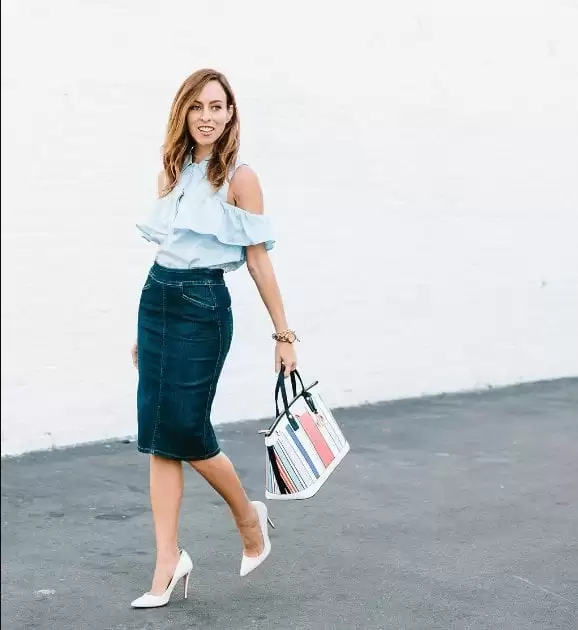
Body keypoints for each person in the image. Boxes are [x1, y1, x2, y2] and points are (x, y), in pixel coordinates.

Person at [129, 68, 298, 609]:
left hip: (203, 308)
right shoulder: (172, 169)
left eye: (218, 107)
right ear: (184, 111)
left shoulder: (241, 178)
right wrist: (142, 331)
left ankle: (249, 518)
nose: (208, 116)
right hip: (157, 299)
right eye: (198, 106)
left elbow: (258, 259)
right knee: (158, 436)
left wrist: (283, 332)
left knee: (185, 427)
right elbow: (167, 249)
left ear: (231, 115)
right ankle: (167, 560)